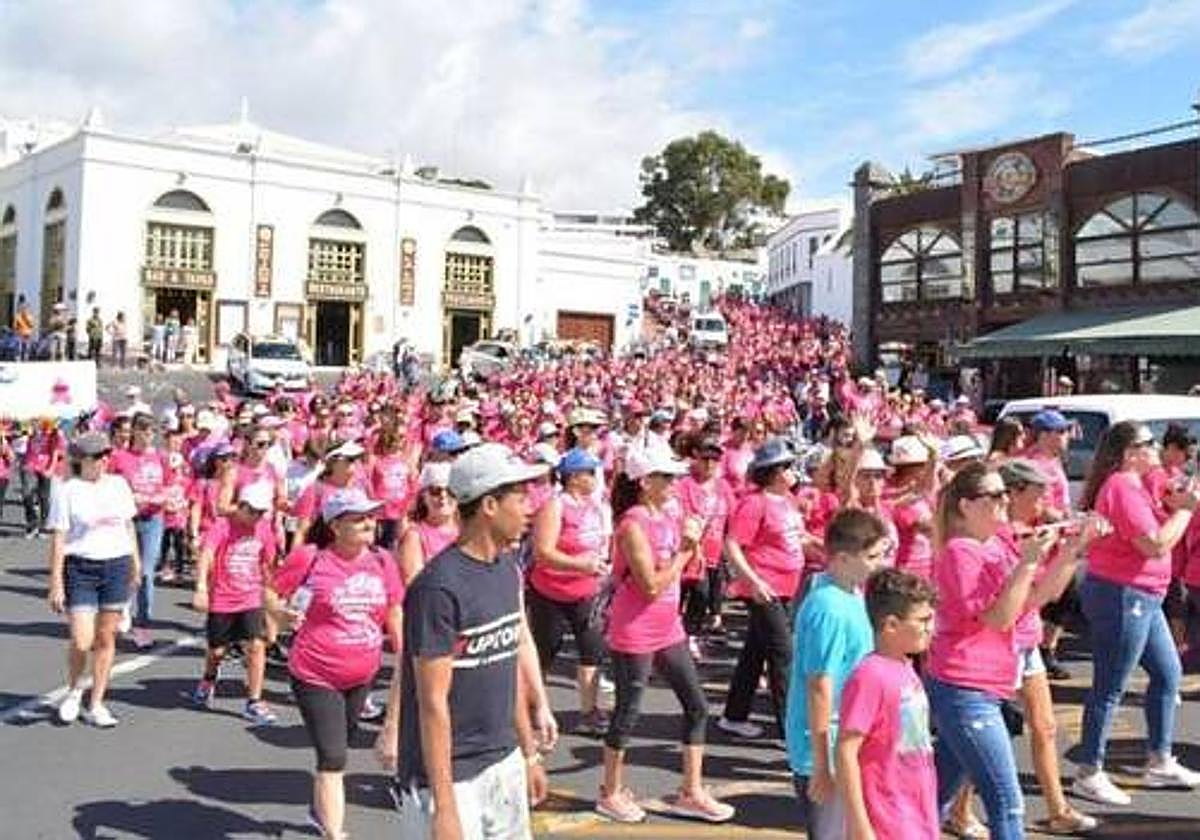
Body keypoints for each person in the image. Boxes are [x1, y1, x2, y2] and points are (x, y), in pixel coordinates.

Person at [395, 443, 558, 839]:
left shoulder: (505, 568)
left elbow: (506, 666)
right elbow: (432, 703)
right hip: (452, 778)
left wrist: (528, 754)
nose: (530, 508)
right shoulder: (437, 589)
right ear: (489, 505)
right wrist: (445, 807)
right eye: (520, 497)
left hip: (503, 761)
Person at [597, 448, 734, 824]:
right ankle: (610, 792)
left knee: (697, 705)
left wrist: (692, 547)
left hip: (668, 626)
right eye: (667, 477)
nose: (675, 483)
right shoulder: (632, 524)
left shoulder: (668, 515)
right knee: (627, 712)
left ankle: (691, 792)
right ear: (645, 482)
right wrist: (686, 554)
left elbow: (683, 567)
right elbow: (651, 585)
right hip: (634, 629)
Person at [926, 463, 1062, 840]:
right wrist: (1028, 562)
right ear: (966, 505)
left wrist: (1070, 550)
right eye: (995, 495)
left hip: (985, 685)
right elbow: (999, 618)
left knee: (935, 795)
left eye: (1005, 493)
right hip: (965, 687)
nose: (1005, 500)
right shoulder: (959, 552)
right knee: (1006, 800)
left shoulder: (993, 545)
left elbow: (1034, 599)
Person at [1073, 422, 1200, 805]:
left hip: (1145, 594)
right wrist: (1187, 511)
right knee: (1110, 685)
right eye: (1148, 442)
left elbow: (1166, 498)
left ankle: (1160, 760)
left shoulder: (1139, 483)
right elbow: (1154, 545)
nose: (1156, 447)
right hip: (1122, 593)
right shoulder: (1121, 487)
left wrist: (1180, 497)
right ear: (1130, 453)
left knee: (1168, 673)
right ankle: (1089, 771)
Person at [273, 488, 404, 840]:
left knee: (340, 747)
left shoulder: (383, 561)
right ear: (334, 526)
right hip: (315, 673)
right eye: (358, 518)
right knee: (333, 758)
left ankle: (319, 810)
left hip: (362, 675)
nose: (369, 523)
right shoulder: (310, 558)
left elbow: (395, 610)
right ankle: (334, 832)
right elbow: (270, 592)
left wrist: (405, 653)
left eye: (371, 516)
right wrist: (280, 614)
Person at [998, 459, 1100, 834]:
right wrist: (1071, 548)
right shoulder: (1004, 537)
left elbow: (1051, 593)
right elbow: (1036, 596)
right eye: (1039, 494)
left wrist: (1074, 548)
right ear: (1013, 494)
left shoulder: (1031, 532)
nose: (1047, 502)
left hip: (1026, 640)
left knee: (1045, 726)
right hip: (1000, 646)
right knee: (993, 738)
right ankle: (958, 809)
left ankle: (1058, 810)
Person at [785, 509, 890, 840]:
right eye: (872, 557)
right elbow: (819, 685)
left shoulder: (850, 593)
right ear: (843, 559)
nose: (880, 563)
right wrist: (820, 766)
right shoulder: (828, 608)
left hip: (846, 739)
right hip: (826, 746)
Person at [836, 568, 938, 840]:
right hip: (887, 815)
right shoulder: (870, 676)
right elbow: (846, 750)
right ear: (891, 625)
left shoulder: (906, 668)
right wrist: (859, 824)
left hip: (916, 809)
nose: (931, 628)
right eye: (923, 620)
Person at [721, 437, 813, 739]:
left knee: (755, 652)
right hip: (764, 589)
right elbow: (732, 545)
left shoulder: (787, 501)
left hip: (786, 587)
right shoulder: (754, 503)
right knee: (783, 654)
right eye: (788, 466)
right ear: (774, 472)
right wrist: (754, 581)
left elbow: (799, 537)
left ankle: (734, 715)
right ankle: (791, 729)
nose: (793, 471)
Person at [46, 432, 140, 727]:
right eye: (98, 456)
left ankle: (97, 703)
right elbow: (59, 538)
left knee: (105, 637)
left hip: (116, 564)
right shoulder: (67, 490)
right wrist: (55, 582)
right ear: (83, 460)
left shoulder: (119, 485)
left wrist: (135, 564)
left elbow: (128, 526)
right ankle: (75, 689)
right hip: (81, 567)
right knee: (81, 638)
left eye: (106, 455)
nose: (104, 460)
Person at [528, 447, 610, 736]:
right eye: (590, 473)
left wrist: (601, 567)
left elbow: (599, 542)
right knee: (545, 651)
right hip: (550, 592)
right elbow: (542, 553)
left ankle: (589, 711)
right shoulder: (555, 506)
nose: (595, 478)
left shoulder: (594, 505)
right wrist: (580, 564)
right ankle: (533, 707)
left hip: (586, 591)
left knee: (592, 651)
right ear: (574, 477)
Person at [189, 483, 279, 725]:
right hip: (222, 598)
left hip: (250, 597)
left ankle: (254, 701)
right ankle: (209, 678)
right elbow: (207, 555)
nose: (257, 517)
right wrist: (201, 587)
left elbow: (269, 563)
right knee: (217, 651)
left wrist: (275, 599)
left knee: (256, 646)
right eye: (253, 512)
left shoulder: (264, 528)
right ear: (240, 507)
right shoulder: (222, 526)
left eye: (261, 512)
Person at [109, 413, 167, 649]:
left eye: (152, 432)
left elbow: (172, 485)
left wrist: (164, 497)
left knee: (146, 572)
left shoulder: (160, 457)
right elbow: (107, 486)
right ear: (133, 432)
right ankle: (122, 609)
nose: (148, 436)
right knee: (125, 569)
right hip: (126, 520)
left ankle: (143, 624)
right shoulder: (119, 457)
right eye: (143, 431)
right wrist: (128, 497)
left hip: (153, 519)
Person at [677, 435, 735, 644]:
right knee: (689, 593)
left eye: (715, 460)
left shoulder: (723, 486)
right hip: (690, 552)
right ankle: (679, 635)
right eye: (705, 459)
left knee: (704, 597)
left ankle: (690, 636)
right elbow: (681, 516)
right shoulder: (684, 485)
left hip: (715, 552)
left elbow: (733, 515)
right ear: (696, 459)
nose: (710, 464)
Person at [395, 462, 458, 583]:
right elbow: (413, 584)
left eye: (450, 490)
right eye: (435, 491)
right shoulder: (415, 536)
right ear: (424, 497)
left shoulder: (467, 531)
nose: (443, 496)